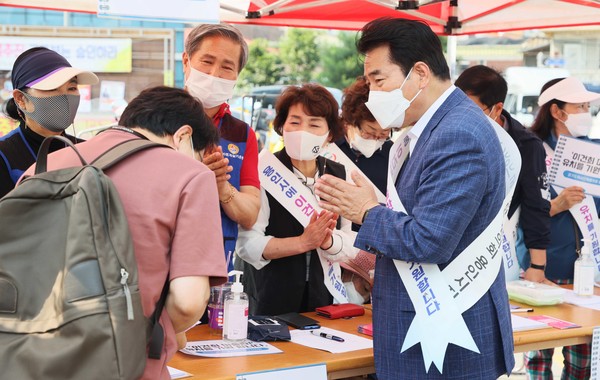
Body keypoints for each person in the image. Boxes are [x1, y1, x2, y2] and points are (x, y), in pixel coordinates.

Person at [314, 17, 515, 379]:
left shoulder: (457, 134)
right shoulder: (433, 129)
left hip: (449, 336)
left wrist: (365, 210)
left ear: (420, 73)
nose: (373, 93)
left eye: (379, 80)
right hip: (428, 325)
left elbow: (430, 239)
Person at [23, 86, 228, 380]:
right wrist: (164, 331)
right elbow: (188, 301)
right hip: (126, 363)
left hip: (32, 358)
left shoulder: (43, 167)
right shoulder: (191, 176)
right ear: (183, 136)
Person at [236, 84, 359, 315]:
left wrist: (328, 242)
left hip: (323, 301)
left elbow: (350, 239)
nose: (304, 131)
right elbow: (247, 245)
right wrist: (303, 242)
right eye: (295, 122)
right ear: (282, 127)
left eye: (314, 124)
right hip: (269, 300)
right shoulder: (263, 171)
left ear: (329, 134)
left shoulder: (339, 174)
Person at [521, 76, 600, 380]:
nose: (586, 113)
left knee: (582, 361)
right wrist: (556, 205)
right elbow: (516, 214)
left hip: (586, 272)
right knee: (539, 359)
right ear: (557, 111)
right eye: (579, 106)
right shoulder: (531, 151)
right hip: (544, 271)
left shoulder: (592, 152)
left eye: (587, 107)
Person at [455, 65, 552, 283]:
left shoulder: (526, 145)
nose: (460, 116)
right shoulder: (451, 134)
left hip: (499, 251)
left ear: (497, 109)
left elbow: (536, 206)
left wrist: (537, 265)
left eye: (470, 110)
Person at [183, 24, 260, 272]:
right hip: (159, 255)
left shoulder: (241, 133)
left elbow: (250, 215)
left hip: (217, 262)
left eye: (227, 66)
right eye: (207, 61)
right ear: (186, 62)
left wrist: (221, 185)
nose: (215, 73)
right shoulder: (155, 116)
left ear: (237, 75)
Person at [0, 47, 98, 198]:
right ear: (21, 99)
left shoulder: (88, 150)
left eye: (71, 88)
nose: (65, 98)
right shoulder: (4, 154)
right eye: (52, 88)